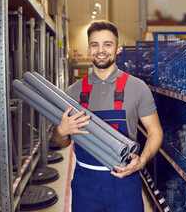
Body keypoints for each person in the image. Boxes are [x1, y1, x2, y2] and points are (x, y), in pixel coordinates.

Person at [54, 20, 163, 212]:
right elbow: (62, 142)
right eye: (95, 45)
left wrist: (143, 160)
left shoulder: (137, 88)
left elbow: (155, 132)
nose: (101, 50)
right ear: (88, 50)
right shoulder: (73, 92)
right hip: (85, 185)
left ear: (118, 49)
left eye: (107, 44)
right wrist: (61, 132)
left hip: (125, 183)